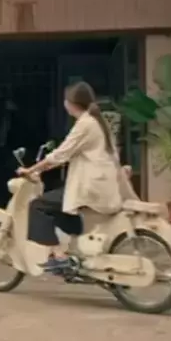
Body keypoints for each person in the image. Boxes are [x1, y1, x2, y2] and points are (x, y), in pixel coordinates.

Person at [16, 81, 131, 272]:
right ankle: (73, 250)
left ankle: (59, 256)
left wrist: (31, 170)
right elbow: (69, 154)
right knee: (61, 205)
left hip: (92, 189)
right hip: (102, 185)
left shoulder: (85, 124)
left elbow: (61, 154)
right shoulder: (97, 121)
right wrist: (44, 167)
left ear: (71, 103)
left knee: (37, 206)